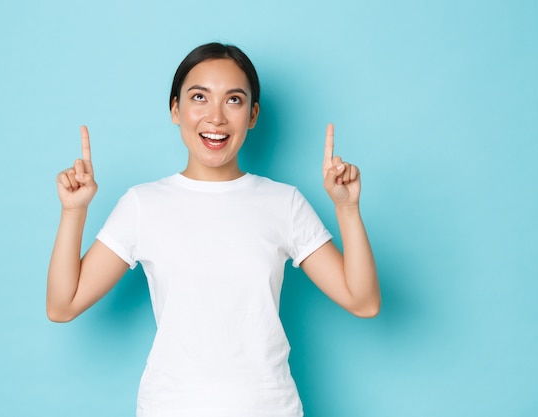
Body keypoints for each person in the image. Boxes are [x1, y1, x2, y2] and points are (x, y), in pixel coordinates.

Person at [47, 42, 380, 417]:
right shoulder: (143, 204)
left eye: (234, 100)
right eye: (199, 97)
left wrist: (347, 209)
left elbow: (363, 301)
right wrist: (73, 212)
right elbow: (63, 305)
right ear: (175, 109)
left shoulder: (283, 203)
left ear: (253, 115)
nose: (216, 117)